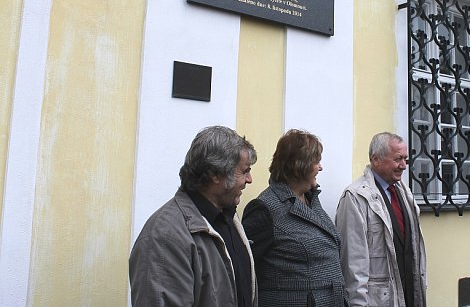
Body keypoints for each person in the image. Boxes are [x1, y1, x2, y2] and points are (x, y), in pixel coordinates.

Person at [129, 126, 258, 307]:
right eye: (244, 171)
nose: (250, 179)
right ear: (215, 174)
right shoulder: (164, 237)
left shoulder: (228, 218)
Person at [242, 129, 348, 306]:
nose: (321, 168)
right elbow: (245, 268)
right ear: (300, 165)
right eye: (316, 161)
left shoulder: (312, 200)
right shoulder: (265, 208)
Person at [335, 132, 427, 307]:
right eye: (398, 159)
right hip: (378, 301)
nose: (403, 165)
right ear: (376, 159)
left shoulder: (403, 192)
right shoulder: (355, 197)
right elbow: (353, 264)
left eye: (405, 159)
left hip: (408, 296)